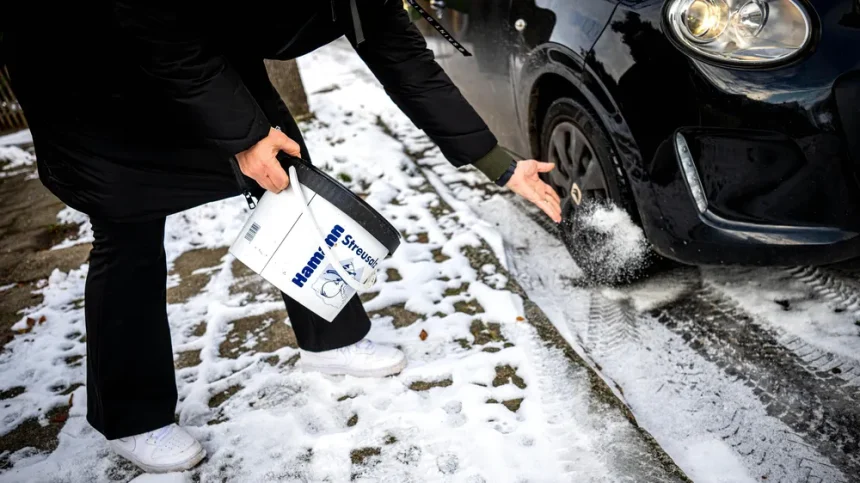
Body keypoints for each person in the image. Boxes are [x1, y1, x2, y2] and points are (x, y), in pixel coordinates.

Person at [3, 0, 562, 473]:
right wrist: (243, 134)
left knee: (286, 171)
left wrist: (497, 164)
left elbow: (402, 58)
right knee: (127, 226)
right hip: (87, 60)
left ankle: (331, 337)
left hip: (202, 46)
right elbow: (156, 22)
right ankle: (133, 415)